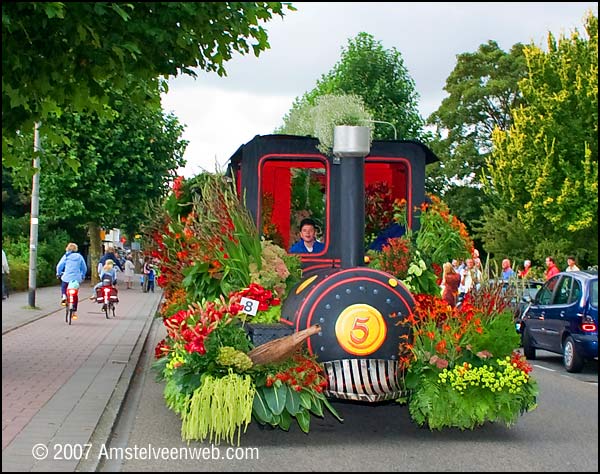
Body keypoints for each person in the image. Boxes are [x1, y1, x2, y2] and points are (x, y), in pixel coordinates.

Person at [56, 243, 87, 320]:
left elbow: (59, 266)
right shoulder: (79, 257)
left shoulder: (66, 256)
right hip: (76, 278)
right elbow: (84, 267)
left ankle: (64, 296)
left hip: (66, 277)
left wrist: (58, 273)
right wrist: (83, 275)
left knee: (64, 286)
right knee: (75, 294)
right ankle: (74, 311)